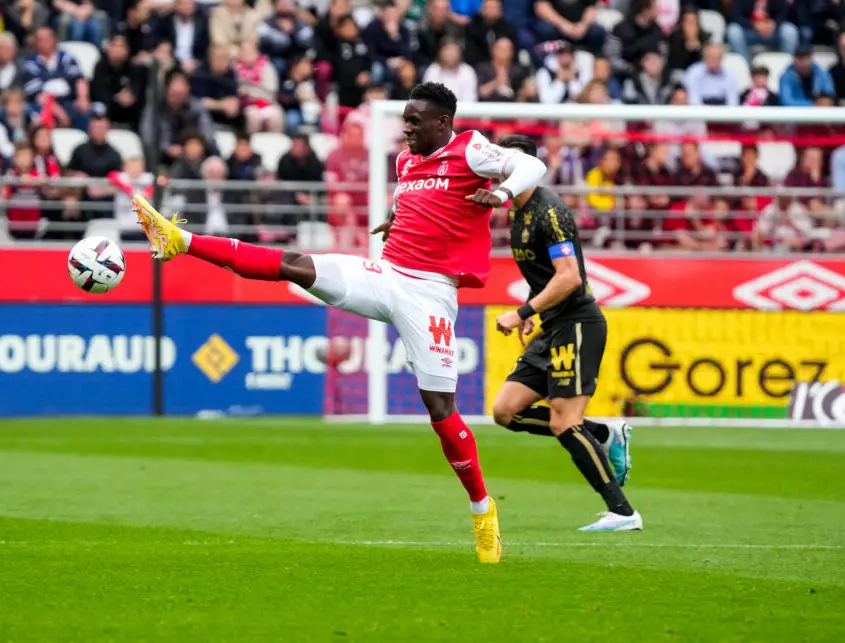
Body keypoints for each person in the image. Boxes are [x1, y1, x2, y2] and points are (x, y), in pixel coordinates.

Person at [132, 82, 556, 564]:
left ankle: (482, 511)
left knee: (440, 408)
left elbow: (532, 167)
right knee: (294, 264)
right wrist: (395, 218)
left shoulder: (470, 149)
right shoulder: (406, 162)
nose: (405, 128)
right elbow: (421, 200)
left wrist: (501, 192)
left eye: (415, 121)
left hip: (431, 295)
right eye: (404, 119)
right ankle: (180, 240)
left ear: (442, 122)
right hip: (386, 274)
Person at [488, 134, 638, 531]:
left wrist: (523, 311)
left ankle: (623, 513)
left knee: (563, 422)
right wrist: (534, 311)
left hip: (578, 323)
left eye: (514, 162)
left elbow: (569, 277)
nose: (505, 170)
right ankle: (603, 432)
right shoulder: (517, 212)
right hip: (552, 325)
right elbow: (545, 276)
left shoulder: (549, 211)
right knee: (505, 411)